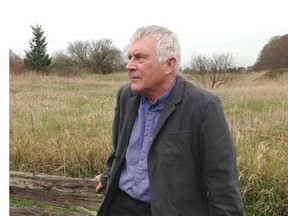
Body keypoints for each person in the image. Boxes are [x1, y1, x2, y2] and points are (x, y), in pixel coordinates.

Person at [95, 25, 243, 216]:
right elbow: (118, 150)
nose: (129, 66)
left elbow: (222, 180)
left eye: (140, 58)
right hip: (119, 204)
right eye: (129, 57)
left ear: (169, 64)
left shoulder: (204, 106)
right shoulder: (126, 95)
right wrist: (108, 175)